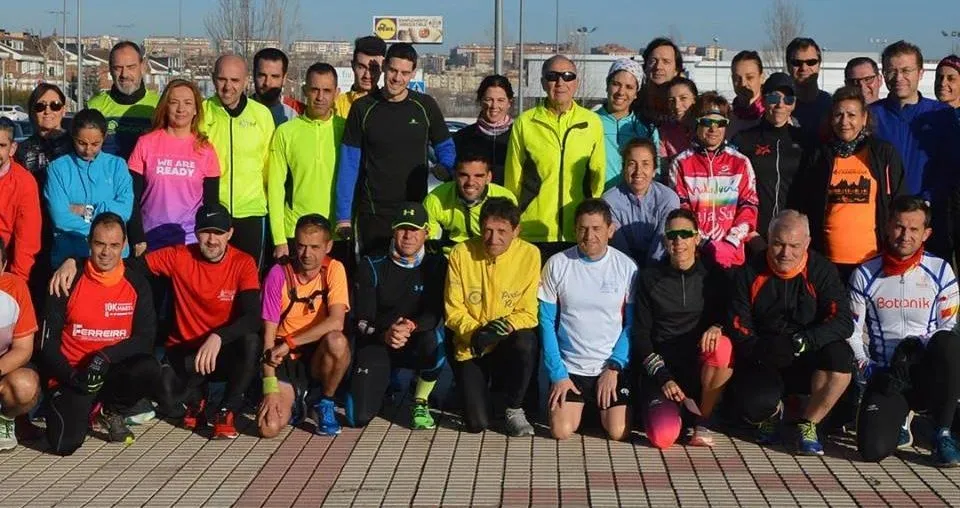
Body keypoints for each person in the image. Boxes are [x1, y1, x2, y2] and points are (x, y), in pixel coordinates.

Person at [51, 203, 261, 440]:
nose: (212, 240)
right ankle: (196, 399)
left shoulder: (243, 262)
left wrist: (219, 337)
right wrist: (74, 261)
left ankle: (226, 410)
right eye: (205, 231)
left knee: (251, 341)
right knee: (168, 400)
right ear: (196, 232)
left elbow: (254, 317)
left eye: (219, 233)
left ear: (230, 234)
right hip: (186, 352)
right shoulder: (178, 255)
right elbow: (122, 264)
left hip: (220, 349)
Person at [727, 210, 854, 456]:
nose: (786, 253)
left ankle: (808, 424)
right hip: (765, 356)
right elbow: (737, 325)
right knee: (754, 403)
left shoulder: (822, 270)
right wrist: (763, 349)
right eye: (778, 244)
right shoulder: (749, 272)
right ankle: (771, 414)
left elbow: (842, 320)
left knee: (841, 358)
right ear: (768, 239)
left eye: (794, 246)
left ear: (807, 243)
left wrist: (805, 341)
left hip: (807, 353)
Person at [849, 196, 960, 467]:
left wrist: (915, 348)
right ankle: (901, 420)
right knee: (872, 451)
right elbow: (851, 331)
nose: (905, 236)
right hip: (889, 375)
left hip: (926, 370)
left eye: (914, 230)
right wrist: (867, 366)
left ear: (927, 234)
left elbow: (949, 325)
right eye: (899, 227)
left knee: (948, 343)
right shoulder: (865, 272)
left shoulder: (941, 270)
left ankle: (942, 431)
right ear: (888, 227)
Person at [39, 213, 158, 455]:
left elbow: (145, 339)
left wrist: (104, 356)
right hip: (72, 374)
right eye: (100, 244)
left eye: (114, 245)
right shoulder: (67, 279)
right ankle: (83, 409)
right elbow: (46, 345)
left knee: (148, 367)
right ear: (88, 243)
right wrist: (72, 378)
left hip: (110, 370)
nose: (106, 252)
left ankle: (111, 410)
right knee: (64, 445)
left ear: (124, 245)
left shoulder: (136, 283)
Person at [335, 43, 455, 258]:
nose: (397, 78)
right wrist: (343, 215)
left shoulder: (425, 105)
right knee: (371, 276)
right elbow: (349, 164)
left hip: (413, 211)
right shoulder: (363, 108)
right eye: (393, 70)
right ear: (384, 68)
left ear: (413, 74)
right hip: (373, 212)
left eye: (404, 72)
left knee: (409, 277)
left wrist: (446, 166)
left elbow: (446, 145)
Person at [634, 208, 732, 448]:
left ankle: (703, 420)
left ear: (697, 238)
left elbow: (733, 315)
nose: (678, 241)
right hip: (662, 372)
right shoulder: (649, 278)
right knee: (663, 438)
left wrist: (718, 326)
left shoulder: (714, 276)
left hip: (697, 370)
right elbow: (641, 336)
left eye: (685, 234)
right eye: (672, 235)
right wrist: (663, 378)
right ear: (665, 240)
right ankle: (673, 412)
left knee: (723, 345)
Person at [540, 199, 636, 441]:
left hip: (609, 368)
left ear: (610, 230)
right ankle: (583, 408)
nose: (589, 235)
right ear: (574, 230)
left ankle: (597, 410)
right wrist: (558, 375)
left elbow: (631, 324)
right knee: (561, 431)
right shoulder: (557, 264)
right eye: (583, 228)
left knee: (618, 432)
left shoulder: (626, 267)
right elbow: (546, 324)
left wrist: (614, 366)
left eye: (596, 229)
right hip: (571, 369)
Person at [347, 203, 447, 429]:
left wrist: (411, 325)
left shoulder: (437, 264)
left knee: (436, 342)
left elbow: (434, 315)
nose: (408, 235)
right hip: (378, 341)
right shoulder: (371, 263)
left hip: (414, 338)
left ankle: (420, 399)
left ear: (426, 233)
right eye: (403, 228)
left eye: (415, 229)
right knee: (357, 418)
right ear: (393, 230)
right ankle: (385, 380)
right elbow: (361, 320)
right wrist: (385, 334)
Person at [445, 197, 539, 435]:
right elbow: (453, 309)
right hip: (472, 343)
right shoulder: (461, 253)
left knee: (526, 342)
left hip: (505, 339)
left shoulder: (530, 254)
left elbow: (529, 312)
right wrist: (475, 331)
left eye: (501, 231)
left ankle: (514, 408)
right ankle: (472, 390)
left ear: (516, 231)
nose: (493, 239)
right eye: (487, 230)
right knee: (477, 424)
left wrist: (499, 328)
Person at [799, 86, 906, 282]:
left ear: (864, 118)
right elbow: (806, 204)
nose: (844, 122)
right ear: (831, 119)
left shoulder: (883, 154)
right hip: (828, 262)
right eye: (839, 115)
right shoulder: (820, 156)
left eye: (851, 115)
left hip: (873, 260)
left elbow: (898, 202)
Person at [504, 55, 605, 261]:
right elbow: (512, 180)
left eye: (568, 76)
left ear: (576, 83)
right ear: (543, 83)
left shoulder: (591, 122)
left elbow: (598, 179)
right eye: (552, 76)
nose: (560, 82)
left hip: (576, 233)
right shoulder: (525, 122)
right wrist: (512, 222)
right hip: (533, 231)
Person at [258, 214, 350, 437]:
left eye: (315, 247)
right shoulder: (277, 274)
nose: (307, 254)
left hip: (317, 353)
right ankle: (298, 400)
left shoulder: (335, 269)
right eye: (301, 246)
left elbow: (337, 321)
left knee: (337, 340)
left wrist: (291, 342)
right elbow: (268, 340)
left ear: (328, 246)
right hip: (284, 359)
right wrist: (269, 388)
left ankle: (324, 401)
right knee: (268, 429)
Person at [127, 79, 220, 255]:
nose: (180, 109)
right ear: (165, 106)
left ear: (195, 110)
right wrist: (137, 238)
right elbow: (131, 197)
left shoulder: (205, 150)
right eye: (174, 102)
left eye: (187, 103)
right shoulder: (145, 143)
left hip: (189, 242)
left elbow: (210, 204)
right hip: (150, 240)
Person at [202, 55, 275, 270]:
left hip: (251, 213)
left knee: (249, 280)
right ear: (213, 78)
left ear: (246, 81)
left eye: (235, 80)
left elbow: (269, 167)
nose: (228, 87)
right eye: (222, 79)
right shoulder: (201, 112)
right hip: (213, 212)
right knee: (213, 279)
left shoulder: (261, 115)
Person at [669, 92, 758, 269]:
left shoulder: (740, 162)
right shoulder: (681, 163)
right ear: (696, 123)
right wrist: (704, 242)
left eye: (720, 123)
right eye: (707, 122)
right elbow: (681, 209)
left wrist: (731, 242)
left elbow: (749, 206)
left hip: (732, 255)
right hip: (695, 254)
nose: (714, 129)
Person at [267, 63, 345, 262]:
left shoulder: (346, 131)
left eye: (327, 90)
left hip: (337, 233)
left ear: (336, 93)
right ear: (304, 91)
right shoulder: (286, 132)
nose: (320, 97)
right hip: (296, 234)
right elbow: (275, 189)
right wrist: (279, 239)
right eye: (314, 90)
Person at [44, 109, 133, 268]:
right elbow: (60, 217)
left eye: (95, 144)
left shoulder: (117, 166)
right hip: (70, 257)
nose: (88, 150)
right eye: (82, 143)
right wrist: (104, 223)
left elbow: (125, 210)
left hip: (114, 260)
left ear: (104, 137)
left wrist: (87, 210)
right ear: (73, 137)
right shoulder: (58, 169)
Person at [870, 41, 954, 200]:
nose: (898, 77)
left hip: (929, 212)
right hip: (883, 212)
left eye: (906, 70)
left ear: (920, 73)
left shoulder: (942, 115)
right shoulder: (870, 115)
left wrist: (928, 200)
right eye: (891, 71)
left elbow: (950, 168)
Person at [731, 73, 806, 241]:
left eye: (788, 99)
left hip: (792, 237)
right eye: (773, 98)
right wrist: (748, 233)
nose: (780, 105)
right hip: (755, 234)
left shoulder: (805, 141)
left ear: (794, 104)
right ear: (763, 100)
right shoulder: (744, 140)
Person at [602, 138, 679, 266]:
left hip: (659, 268)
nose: (638, 171)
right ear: (623, 168)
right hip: (622, 267)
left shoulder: (668, 198)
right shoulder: (609, 201)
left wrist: (649, 275)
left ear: (654, 170)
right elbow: (619, 246)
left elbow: (661, 246)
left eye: (645, 164)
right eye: (632, 164)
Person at [423, 153, 516, 255]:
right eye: (464, 175)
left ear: (489, 177)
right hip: (451, 258)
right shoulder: (436, 199)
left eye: (478, 176)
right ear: (454, 175)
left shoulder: (505, 198)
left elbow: (512, 240)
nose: (470, 182)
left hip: (493, 258)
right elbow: (427, 240)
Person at [87, 41, 160, 159]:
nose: (124, 74)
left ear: (143, 67)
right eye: (118, 68)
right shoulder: (94, 106)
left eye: (131, 67)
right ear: (110, 70)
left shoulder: (160, 105)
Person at [0, 239, 40, 452]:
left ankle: (4, 418)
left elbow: (23, 349)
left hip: (4, 367)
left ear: (4, 266)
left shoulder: (15, 287)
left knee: (26, 385)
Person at [596, 58, 660, 189]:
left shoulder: (646, 128)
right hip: (597, 203)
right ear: (607, 85)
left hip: (634, 203)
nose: (621, 92)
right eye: (616, 84)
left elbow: (655, 173)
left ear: (636, 93)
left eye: (629, 87)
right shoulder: (589, 122)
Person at [452, 75, 515, 186]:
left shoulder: (518, 136)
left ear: (509, 103)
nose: (494, 106)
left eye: (500, 100)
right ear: (480, 101)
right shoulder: (462, 138)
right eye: (488, 100)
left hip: (510, 201)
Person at [0, 119, 41, 281]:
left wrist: (17, 283)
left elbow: (27, 241)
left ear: (12, 148)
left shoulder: (24, 183)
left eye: (1, 146)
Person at [15, 83, 72, 184]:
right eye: (40, 106)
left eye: (55, 105)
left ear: (64, 110)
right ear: (31, 111)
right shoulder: (20, 150)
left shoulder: (76, 145)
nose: (47, 111)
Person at [785, 37, 832, 142]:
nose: (804, 68)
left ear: (819, 65)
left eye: (811, 62)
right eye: (797, 62)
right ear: (788, 66)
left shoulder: (833, 106)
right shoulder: (779, 106)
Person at [335, 36, 387, 119]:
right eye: (361, 67)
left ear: (383, 68)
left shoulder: (389, 105)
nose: (367, 75)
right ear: (353, 66)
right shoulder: (335, 105)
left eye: (373, 69)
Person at [252, 47, 305, 126]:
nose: (267, 83)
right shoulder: (240, 108)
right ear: (254, 75)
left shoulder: (300, 111)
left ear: (284, 79)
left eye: (274, 76)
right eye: (262, 75)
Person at [636, 38, 684, 125]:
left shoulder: (686, 107)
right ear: (645, 66)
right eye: (653, 61)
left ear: (676, 69)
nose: (658, 67)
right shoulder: (633, 101)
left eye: (666, 62)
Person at [659, 77, 698, 167]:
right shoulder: (665, 132)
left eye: (683, 98)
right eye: (672, 100)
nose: (677, 106)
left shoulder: (706, 127)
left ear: (694, 99)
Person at [727, 51, 766, 138]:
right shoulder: (726, 119)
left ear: (762, 78)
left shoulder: (774, 114)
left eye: (750, 77)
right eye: (737, 78)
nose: (743, 83)